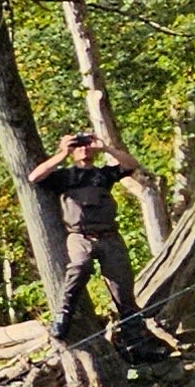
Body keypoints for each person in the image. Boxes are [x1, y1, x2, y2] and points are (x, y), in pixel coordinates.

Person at [25, 132, 144, 341]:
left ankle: (135, 336)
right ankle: (62, 316)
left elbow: (132, 164)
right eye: (79, 146)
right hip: (80, 235)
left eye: (87, 145)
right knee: (80, 266)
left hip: (109, 236)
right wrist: (63, 153)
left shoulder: (103, 175)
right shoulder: (64, 176)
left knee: (122, 286)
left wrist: (105, 147)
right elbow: (34, 177)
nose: (84, 149)